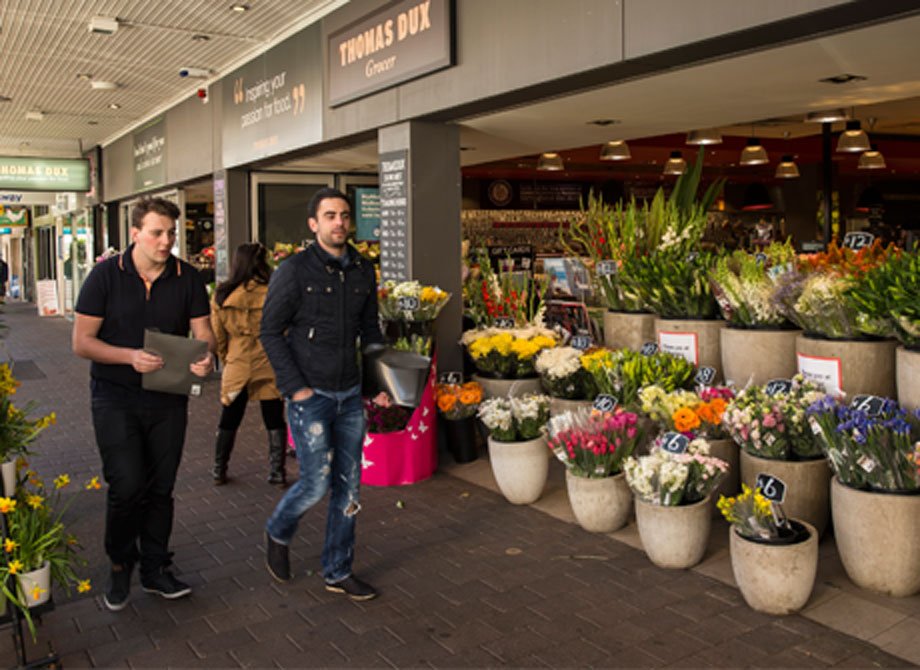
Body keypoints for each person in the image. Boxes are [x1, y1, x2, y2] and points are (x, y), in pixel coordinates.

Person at [72, 197, 216, 612]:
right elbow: (81, 343)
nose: (166, 240)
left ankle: (155, 568)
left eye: (172, 233)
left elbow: (204, 333)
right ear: (134, 234)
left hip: (169, 396)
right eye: (157, 232)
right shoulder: (104, 276)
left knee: (161, 487)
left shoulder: (186, 277)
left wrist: (206, 357)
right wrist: (129, 356)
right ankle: (120, 563)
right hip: (114, 396)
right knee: (126, 486)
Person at [260, 187, 388, 601]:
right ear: (314, 224)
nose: (339, 222)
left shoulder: (364, 271)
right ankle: (278, 530)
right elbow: (269, 332)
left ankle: (337, 569)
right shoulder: (294, 271)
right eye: (330, 215)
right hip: (309, 395)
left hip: (350, 395)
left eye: (345, 215)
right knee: (316, 483)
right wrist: (295, 388)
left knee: (349, 487)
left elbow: (369, 333)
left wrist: (377, 387)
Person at [210, 243, 286, 486]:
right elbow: (285, 329)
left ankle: (218, 469)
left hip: (238, 359)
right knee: (273, 416)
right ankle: (277, 472)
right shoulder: (274, 291)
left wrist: (227, 358)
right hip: (269, 358)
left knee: (230, 415)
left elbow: (219, 336)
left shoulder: (222, 295)